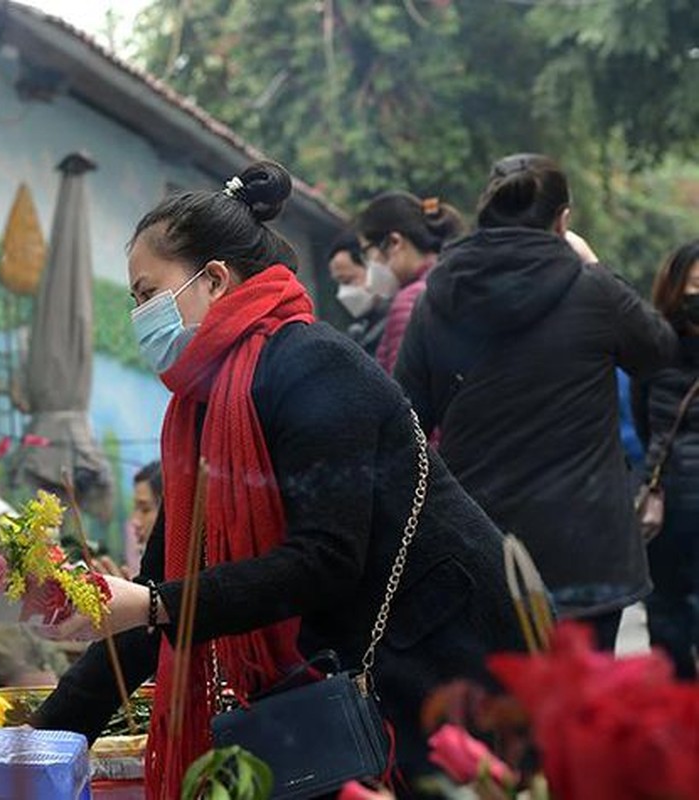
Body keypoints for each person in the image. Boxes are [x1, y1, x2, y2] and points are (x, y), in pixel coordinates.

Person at [29, 161, 525, 794]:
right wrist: (42, 739)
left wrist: (153, 605)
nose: (138, 315)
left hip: (447, 658)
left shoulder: (314, 364)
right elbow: (164, 590)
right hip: (364, 671)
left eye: (147, 293)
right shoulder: (202, 406)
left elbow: (324, 559)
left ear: (213, 280)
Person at [394, 153, 678, 651]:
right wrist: (595, 264)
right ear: (563, 219)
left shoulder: (438, 295)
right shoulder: (592, 290)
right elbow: (658, 350)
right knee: (581, 711)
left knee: (506, 714)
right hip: (589, 553)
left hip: (486, 546)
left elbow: (408, 415)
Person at [634, 240, 699, 678]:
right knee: (672, 614)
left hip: (671, 497)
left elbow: (642, 422)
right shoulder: (652, 346)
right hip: (673, 504)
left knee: (670, 613)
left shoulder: (653, 346)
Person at [355, 192, 464, 373]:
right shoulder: (455, 276)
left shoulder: (410, 301)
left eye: (367, 252)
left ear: (395, 242)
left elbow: (402, 395)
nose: (368, 264)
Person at [328, 233, 389, 356]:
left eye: (347, 281)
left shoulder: (400, 318)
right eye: (339, 284)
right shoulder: (359, 332)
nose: (343, 293)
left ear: (373, 268)